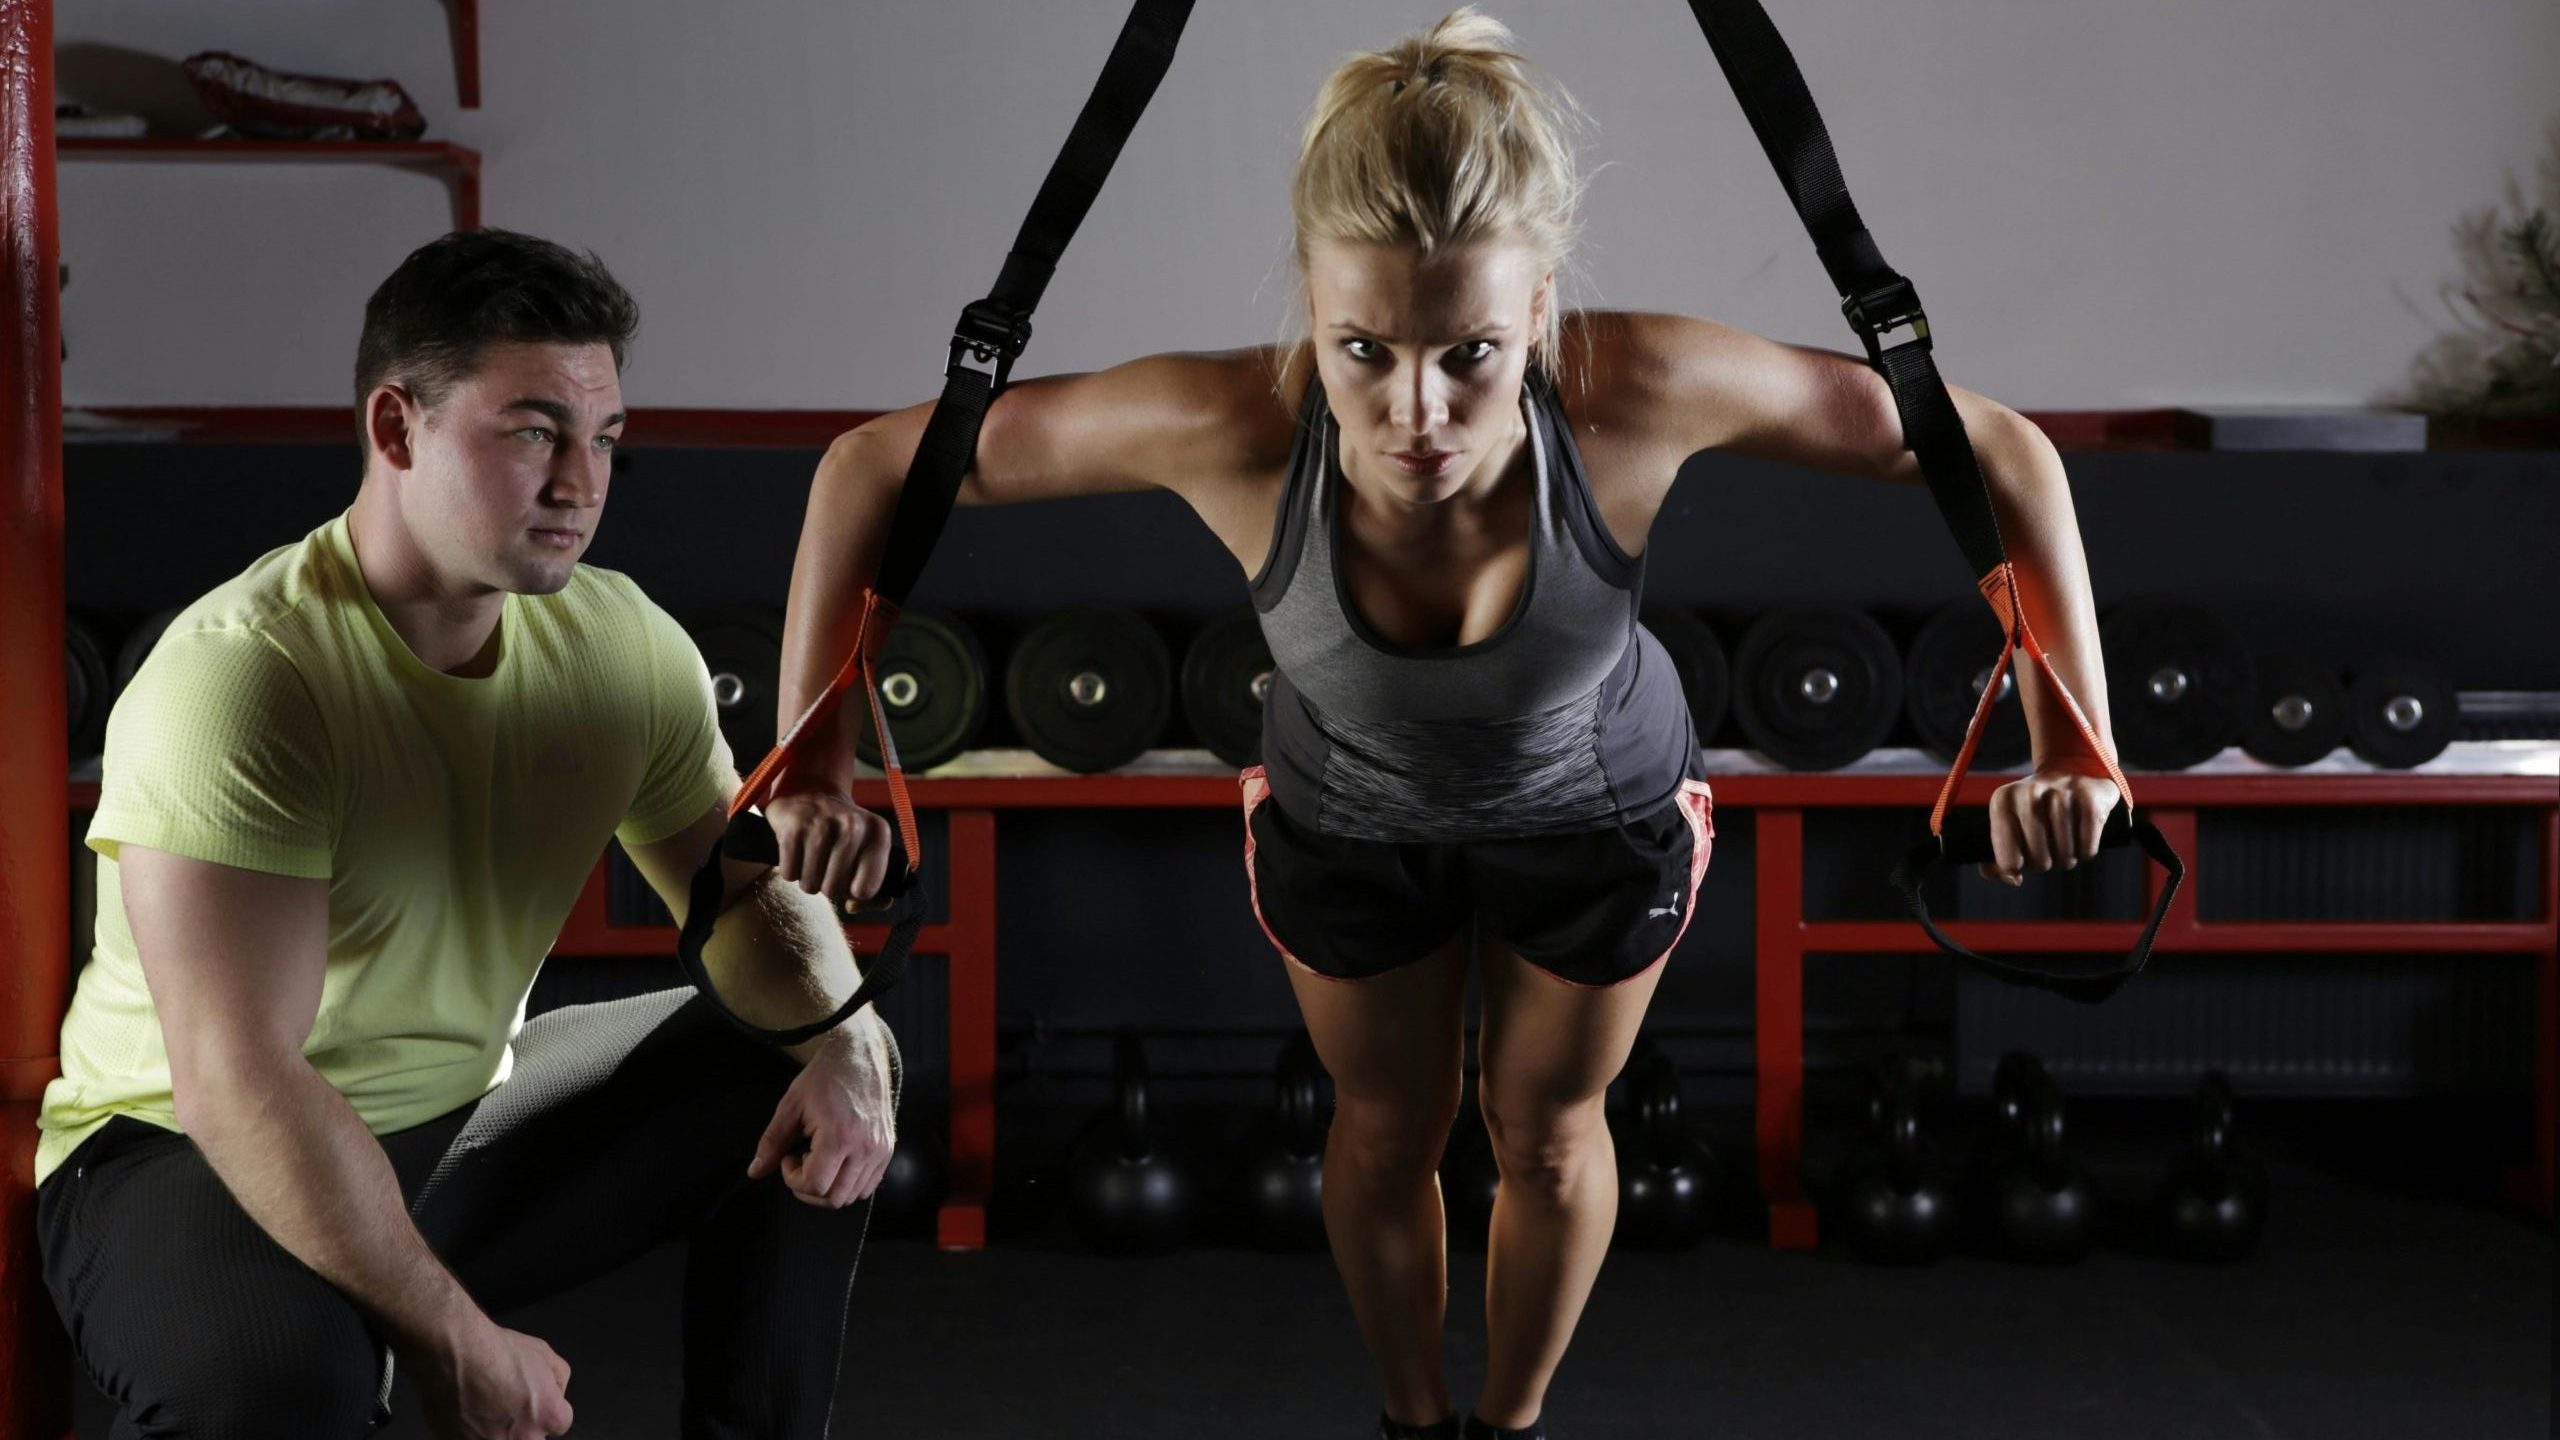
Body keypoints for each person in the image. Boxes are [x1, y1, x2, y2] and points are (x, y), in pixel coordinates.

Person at [768, 10, 2124, 1438]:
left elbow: (2002, 454)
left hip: (1598, 817)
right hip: (1349, 821)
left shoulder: (1636, 390)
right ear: (1310, 298)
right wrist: (813, 757)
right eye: (1364, 348)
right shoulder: (1231, 422)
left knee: (1544, 1136)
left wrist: (2072, 738)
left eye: (1471, 352)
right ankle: (1414, 1424)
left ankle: (1510, 1423)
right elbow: (871, 468)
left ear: (1541, 307)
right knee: (1383, 1132)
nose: (1415, 409)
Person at [34, 229, 899, 1440]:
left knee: (808, 1050)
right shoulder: (246, 678)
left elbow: (746, 896)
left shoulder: (620, 645)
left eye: (602, 440)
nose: (580, 484)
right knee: (280, 1392)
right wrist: (452, 1337)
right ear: (396, 430)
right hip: (183, 1148)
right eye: (533, 431)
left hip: (456, 1120)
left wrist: (843, 1035)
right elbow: (238, 1077)